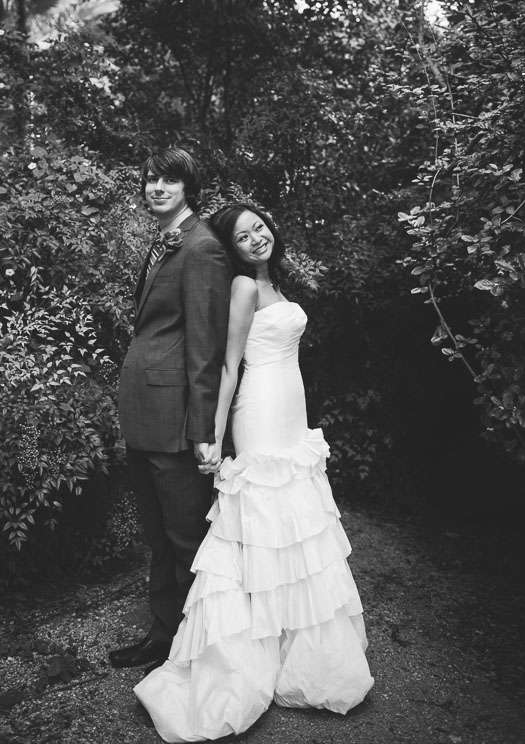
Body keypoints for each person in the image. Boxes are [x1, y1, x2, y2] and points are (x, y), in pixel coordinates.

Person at [133, 203, 374, 741]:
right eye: (243, 236)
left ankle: (296, 643)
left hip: (290, 408)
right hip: (260, 410)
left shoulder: (276, 284)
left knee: (295, 520)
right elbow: (228, 364)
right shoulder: (242, 287)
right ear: (233, 248)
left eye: (259, 227)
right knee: (266, 516)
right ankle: (249, 647)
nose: (256, 238)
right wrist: (212, 433)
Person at [109, 149, 231, 672]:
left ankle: (202, 649)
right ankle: (163, 636)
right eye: (150, 179)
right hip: (145, 414)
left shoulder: (202, 247)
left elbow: (206, 346)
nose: (156, 187)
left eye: (169, 180)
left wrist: (204, 429)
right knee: (158, 537)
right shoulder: (165, 240)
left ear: (188, 188)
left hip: (177, 422)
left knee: (186, 540)